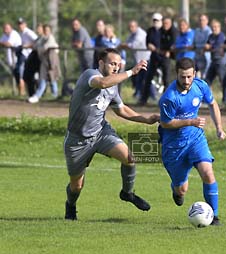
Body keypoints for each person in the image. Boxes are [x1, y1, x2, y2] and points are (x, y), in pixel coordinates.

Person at [64, 48, 159, 220]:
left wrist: (146, 119)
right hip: (77, 139)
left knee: (130, 158)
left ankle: (127, 193)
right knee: (76, 185)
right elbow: (102, 83)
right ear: (101, 63)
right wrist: (131, 71)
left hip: (101, 132)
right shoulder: (90, 75)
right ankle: (70, 205)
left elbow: (121, 109)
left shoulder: (113, 86)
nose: (116, 67)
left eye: (118, 65)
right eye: (112, 64)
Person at [158, 57, 226, 226]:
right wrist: (190, 122)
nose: (186, 81)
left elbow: (212, 103)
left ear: (194, 74)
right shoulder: (169, 97)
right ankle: (177, 190)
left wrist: (219, 127)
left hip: (196, 139)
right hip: (174, 147)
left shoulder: (200, 85)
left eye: (189, 76)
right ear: (177, 75)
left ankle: (214, 217)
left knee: (208, 173)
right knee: (182, 189)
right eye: (183, 77)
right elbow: (166, 123)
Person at [28, 24, 61, 103]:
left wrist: (40, 48)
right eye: (45, 30)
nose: (46, 31)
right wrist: (39, 47)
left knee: (52, 78)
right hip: (44, 61)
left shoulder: (50, 38)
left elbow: (45, 47)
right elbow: (36, 46)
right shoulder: (42, 38)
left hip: (51, 61)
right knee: (43, 78)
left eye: (47, 30)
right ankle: (45, 95)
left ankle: (52, 95)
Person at [120, 20, 151, 99]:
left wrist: (125, 45)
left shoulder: (140, 33)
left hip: (145, 59)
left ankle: (148, 96)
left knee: (144, 78)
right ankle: (140, 95)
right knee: (138, 78)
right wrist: (125, 44)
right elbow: (127, 43)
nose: (131, 28)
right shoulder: (132, 34)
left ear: (136, 26)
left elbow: (133, 45)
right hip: (138, 61)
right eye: (129, 27)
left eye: (132, 26)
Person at [138, 12, 163, 105]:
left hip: (163, 57)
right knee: (148, 78)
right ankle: (143, 99)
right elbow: (147, 42)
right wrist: (150, 46)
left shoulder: (164, 31)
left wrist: (158, 48)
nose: (155, 22)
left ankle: (167, 100)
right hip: (154, 57)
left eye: (157, 20)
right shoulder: (150, 31)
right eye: (154, 20)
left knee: (166, 79)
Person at [204, 19, 226, 103]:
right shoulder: (211, 36)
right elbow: (206, 45)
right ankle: (205, 100)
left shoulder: (221, 35)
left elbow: (218, 46)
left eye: (216, 27)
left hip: (221, 61)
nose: (214, 28)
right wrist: (208, 47)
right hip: (213, 61)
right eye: (213, 27)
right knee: (207, 80)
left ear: (219, 27)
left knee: (223, 81)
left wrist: (210, 47)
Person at [17, 17, 38, 97]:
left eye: (21, 24)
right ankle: (30, 93)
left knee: (30, 75)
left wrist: (27, 46)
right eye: (19, 24)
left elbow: (37, 41)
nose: (20, 25)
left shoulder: (28, 32)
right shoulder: (21, 33)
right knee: (25, 75)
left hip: (31, 56)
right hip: (25, 56)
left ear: (25, 24)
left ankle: (35, 93)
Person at [0, 23, 22, 95]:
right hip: (11, 60)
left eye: (7, 28)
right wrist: (4, 43)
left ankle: (22, 93)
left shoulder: (14, 34)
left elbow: (9, 44)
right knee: (15, 76)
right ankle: (18, 93)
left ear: (11, 28)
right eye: (5, 28)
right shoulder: (5, 35)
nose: (6, 30)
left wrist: (4, 43)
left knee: (20, 76)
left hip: (18, 59)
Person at [193, 14, 212, 79]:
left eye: (203, 20)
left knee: (205, 77)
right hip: (197, 55)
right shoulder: (196, 31)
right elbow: (194, 43)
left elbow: (207, 44)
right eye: (200, 20)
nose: (201, 22)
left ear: (207, 21)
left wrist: (202, 49)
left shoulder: (209, 31)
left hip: (205, 55)